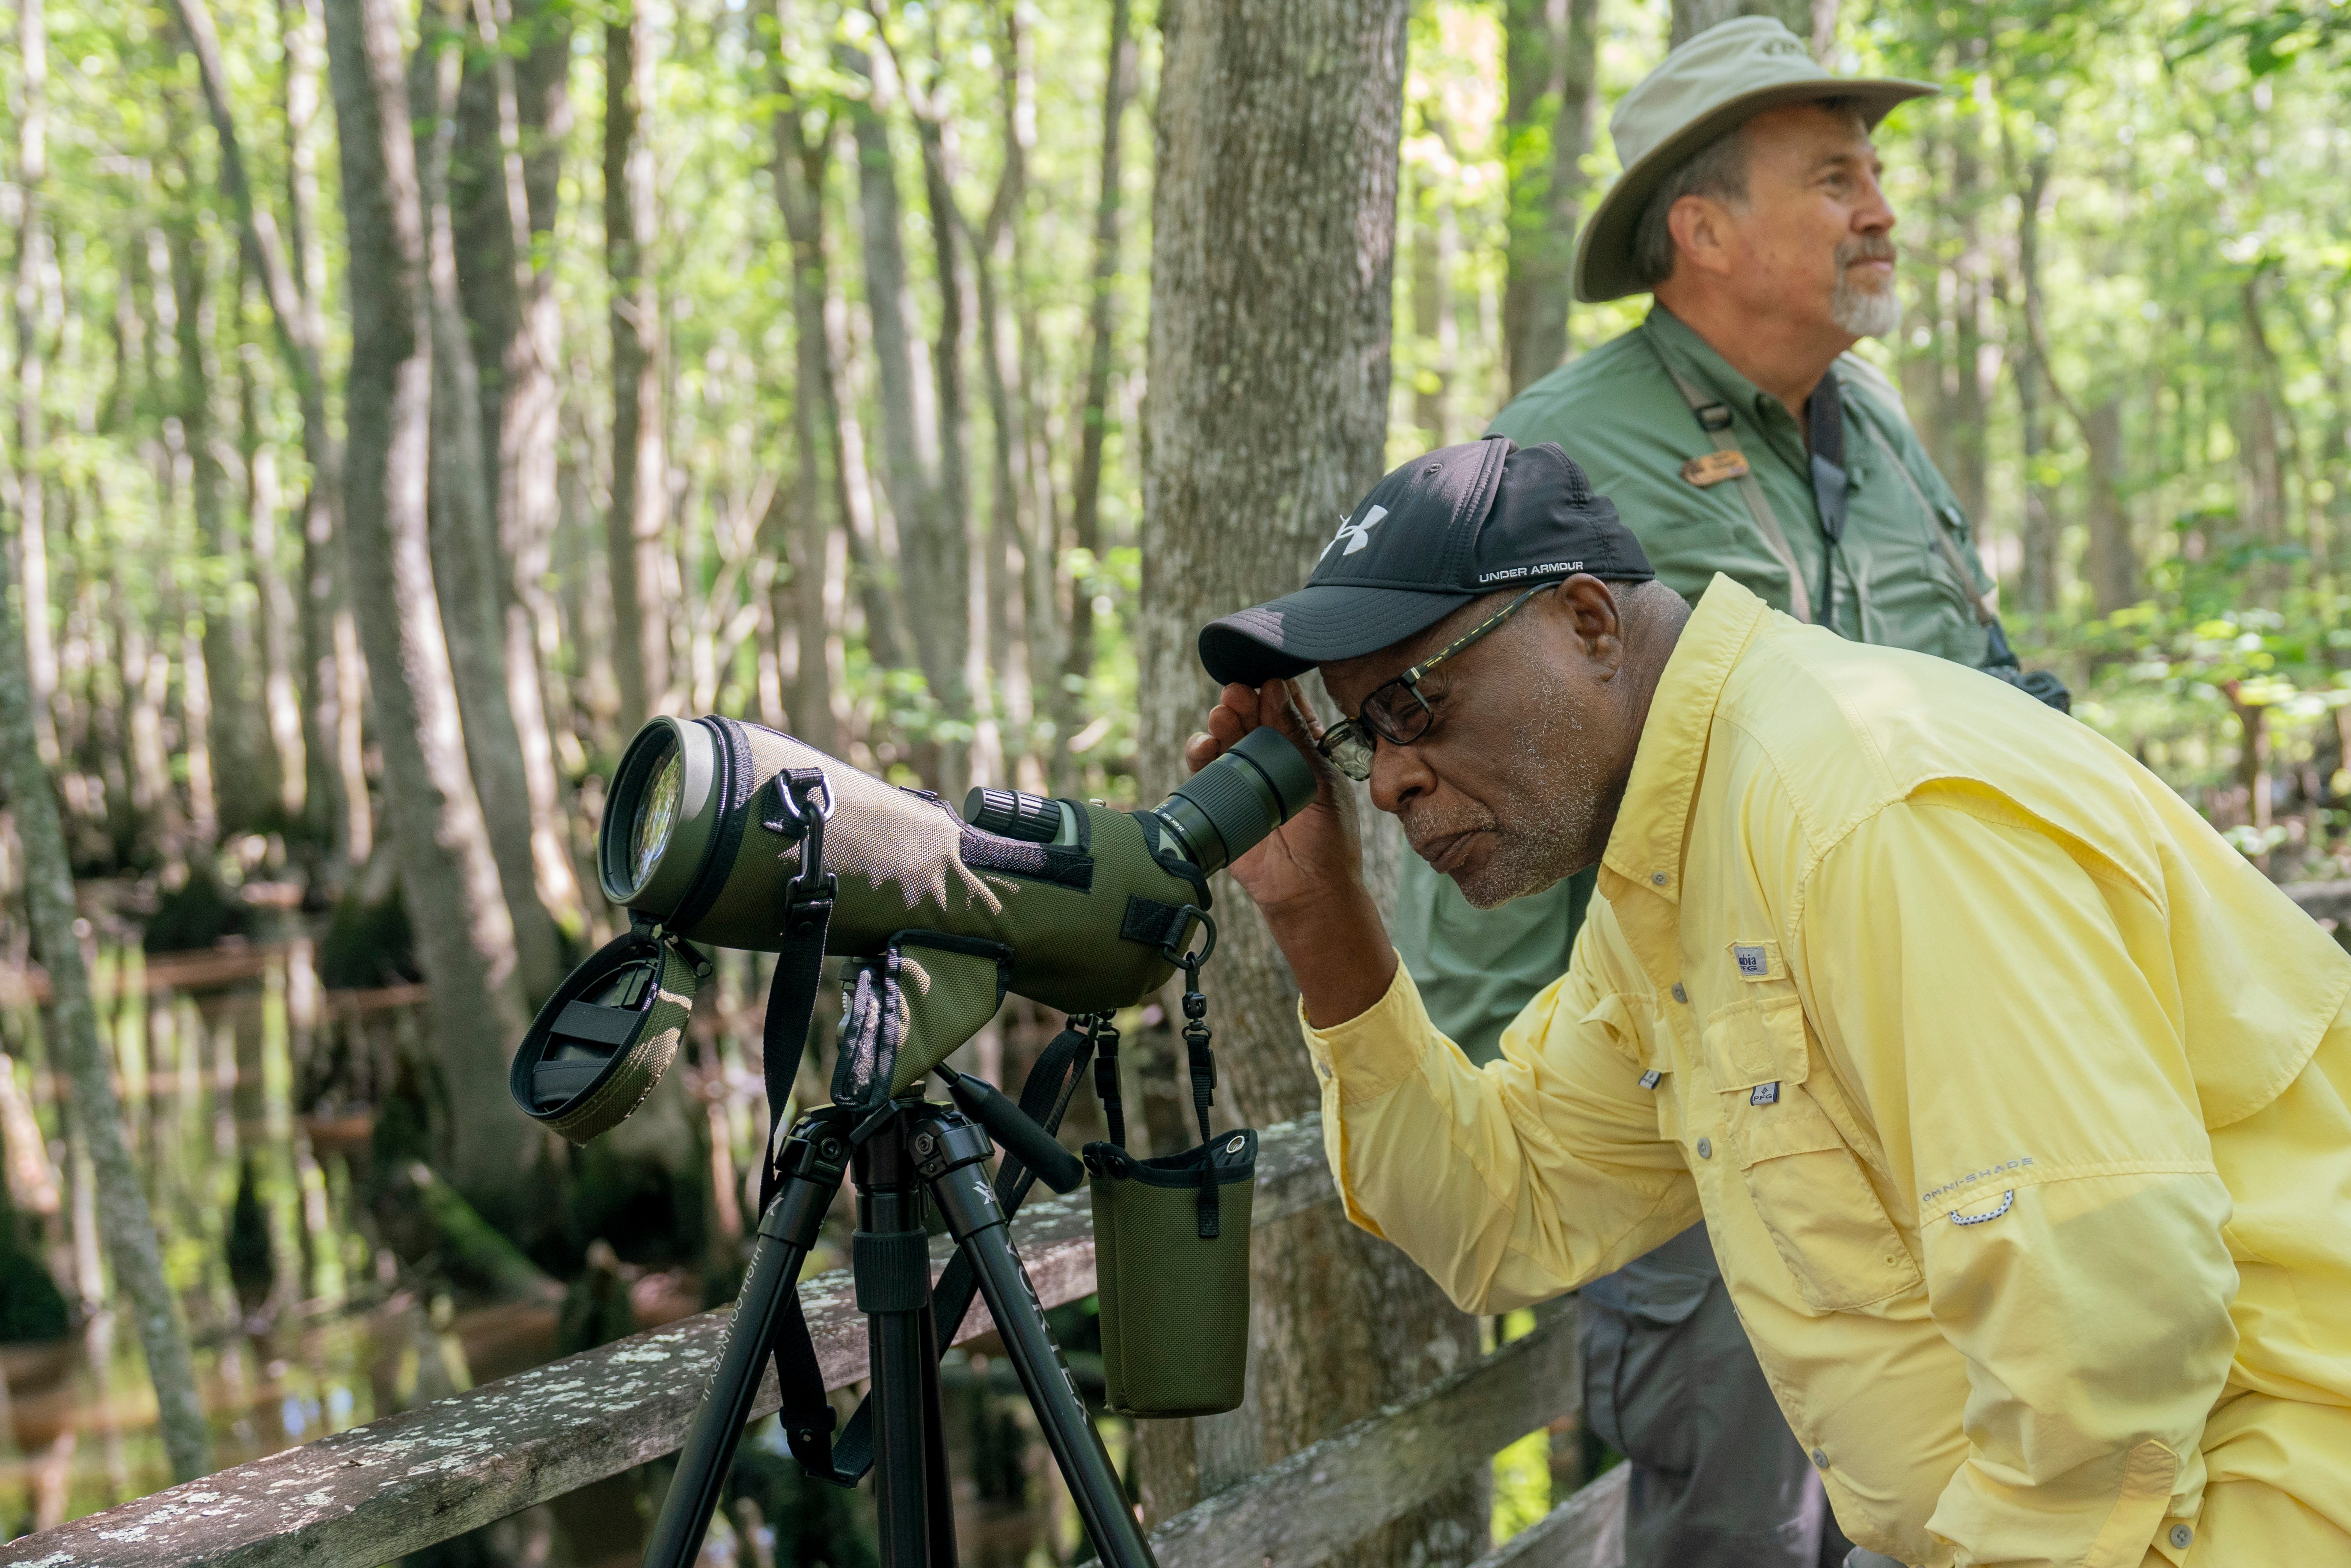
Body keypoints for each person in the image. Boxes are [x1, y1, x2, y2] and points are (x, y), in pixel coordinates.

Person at [1189, 436, 2351, 1568]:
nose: (1388, 779)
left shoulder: (1862, 808)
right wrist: (1319, 916)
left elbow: (2109, 1328)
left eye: (1412, 706)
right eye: (1359, 738)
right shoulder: (1681, 859)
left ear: (1586, 622)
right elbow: (1507, 1212)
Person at [1388, 21, 2060, 1568]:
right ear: (1700, 232)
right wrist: (1528, 1134)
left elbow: (1996, 689)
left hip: (1949, 1102)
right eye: (1834, 177)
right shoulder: (1559, 452)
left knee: (1962, 1507)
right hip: (1709, 1126)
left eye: (1874, 174)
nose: (1879, 209)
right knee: (1738, 1535)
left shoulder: (1875, 425)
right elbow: (1477, 832)